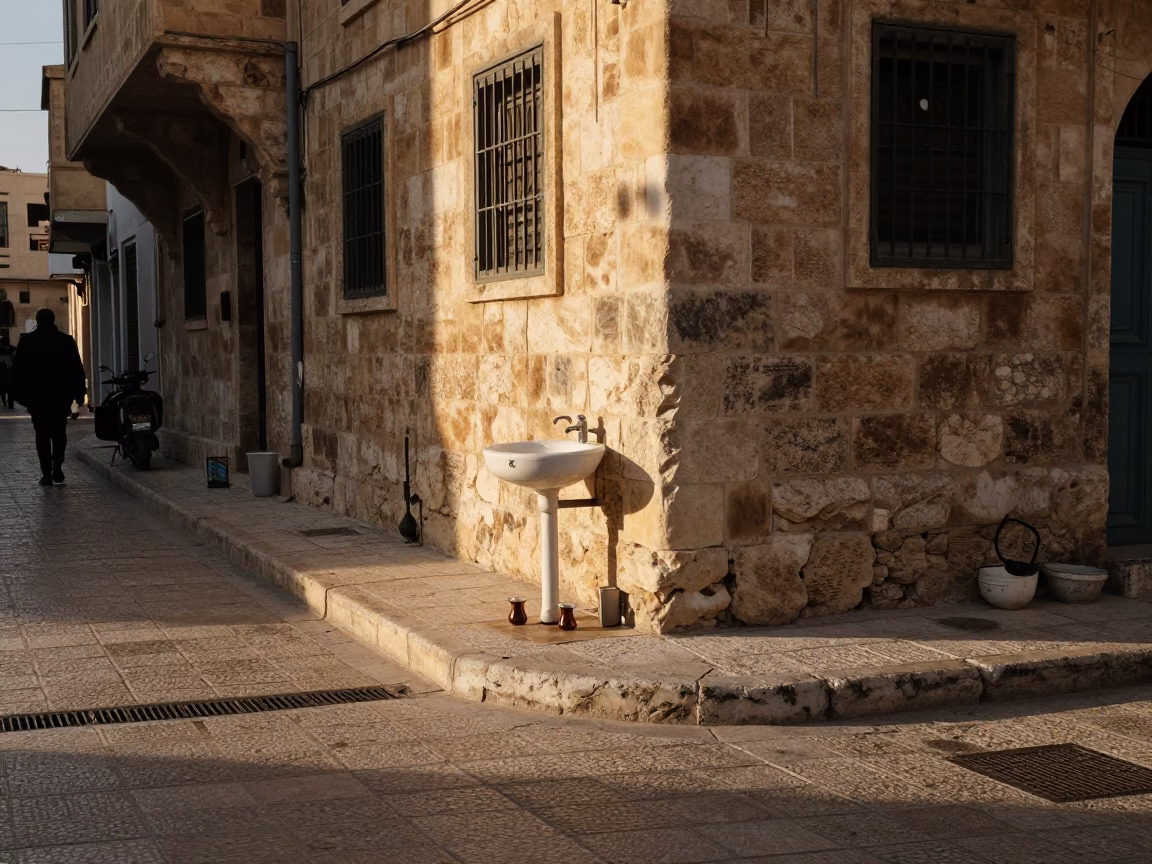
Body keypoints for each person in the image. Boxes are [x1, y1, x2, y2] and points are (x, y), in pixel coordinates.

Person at [12, 309, 86, 486]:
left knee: (42, 435)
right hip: (61, 396)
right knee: (60, 432)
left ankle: (46, 473)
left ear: (38, 321)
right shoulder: (66, 340)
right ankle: (57, 462)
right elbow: (76, 368)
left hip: (36, 397)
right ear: (53, 320)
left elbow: (18, 371)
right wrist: (79, 393)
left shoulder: (27, 341)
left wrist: (19, 395)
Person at [0, 336, 14, 409]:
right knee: (7, 389)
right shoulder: (11, 348)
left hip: (8, 373)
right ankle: (7, 403)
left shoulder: (11, 349)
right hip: (6, 373)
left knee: (7, 389)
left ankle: (8, 403)